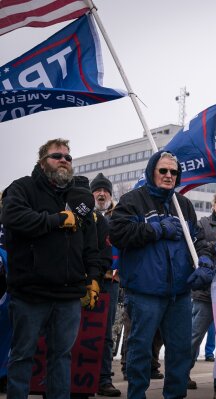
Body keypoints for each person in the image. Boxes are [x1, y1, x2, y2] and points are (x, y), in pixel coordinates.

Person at [2, 139, 103, 399]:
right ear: (42, 161)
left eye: (68, 158)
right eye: (56, 155)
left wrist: (92, 278)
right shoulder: (22, 188)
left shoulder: (79, 197)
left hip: (68, 295)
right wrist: (56, 220)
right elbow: (12, 217)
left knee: (62, 356)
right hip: (30, 293)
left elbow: (91, 244)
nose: (63, 160)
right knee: (22, 355)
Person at [110, 150, 213, 399]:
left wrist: (206, 262)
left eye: (174, 172)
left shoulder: (184, 204)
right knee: (140, 350)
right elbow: (117, 233)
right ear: (152, 171)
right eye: (163, 170)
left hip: (179, 292)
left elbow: (197, 239)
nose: (169, 176)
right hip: (144, 292)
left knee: (180, 351)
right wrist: (154, 229)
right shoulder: (132, 200)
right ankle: (136, 395)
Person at [188, 189, 216, 394]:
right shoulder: (204, 223)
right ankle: (181, 372)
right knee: (194, 335)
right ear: (214, 204)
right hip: (205, 292)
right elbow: (196, 246)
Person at [90, 173, 121, 397]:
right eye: (98, 190)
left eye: (106, 191)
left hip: (110, 281)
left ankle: (103, 378)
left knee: (106, 332)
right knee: (80, 329)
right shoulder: (83, 215)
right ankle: (81, 376)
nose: (102, 194)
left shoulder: (119, 216)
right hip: (84, 280)